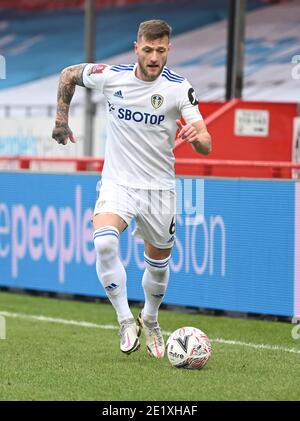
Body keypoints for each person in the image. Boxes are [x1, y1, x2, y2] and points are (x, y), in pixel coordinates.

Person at [52, 19, 212, 358]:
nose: (155, 57)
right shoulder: (112, 77)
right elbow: (68, 74)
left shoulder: (179, 88)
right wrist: (61, 121)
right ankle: (125, 319)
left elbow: (206, 141)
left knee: (158, 265)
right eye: (149, 49)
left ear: (169, 50)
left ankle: (150, 318)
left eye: (161, 50)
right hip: (118, 183)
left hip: (159, 189)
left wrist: (198, 138)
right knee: (105, 243)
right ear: (137, 47)